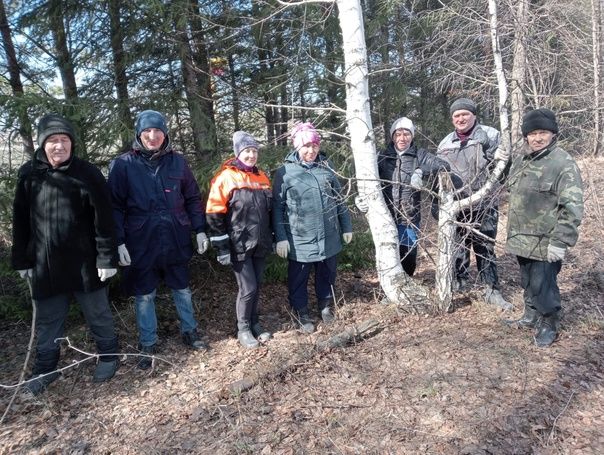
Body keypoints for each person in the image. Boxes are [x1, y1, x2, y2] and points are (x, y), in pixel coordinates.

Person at [11, 114, 120, 395]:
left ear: (72, 143)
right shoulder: (29, 174)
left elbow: (104, 219)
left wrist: (107, 258)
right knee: (49, 319)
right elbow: (20, 220)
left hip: (86, 262)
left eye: (64, 140)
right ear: (42, 144)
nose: (59, 146)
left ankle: (108, 356)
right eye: (52, 141)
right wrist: (21, 260)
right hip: (45, 264)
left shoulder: (87, 173)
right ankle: (46, 368)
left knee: (98, 313)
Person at [107, 110, 209, 370]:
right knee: (144, 295)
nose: (153, 136)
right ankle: (148, 342)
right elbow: (114, 207)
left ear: (166, 134)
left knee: (182, 289)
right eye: (147, 132)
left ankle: (190, 331)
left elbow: (193, 198)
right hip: (141, 239)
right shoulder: (123, 164)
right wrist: (118, 242)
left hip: (175, 236)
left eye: (158, 131)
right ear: (139, 134)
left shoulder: (178, 163)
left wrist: (199, 229)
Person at [505, 108, 583, 347]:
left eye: (543, 132)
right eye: (533, 133)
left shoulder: (563, 163)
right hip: (521, 238)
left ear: (553, 134)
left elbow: (572, 208)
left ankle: (549, 323)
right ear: (525, 136)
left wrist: (561, 241)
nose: (537, 138)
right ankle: (530, 316)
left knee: (544, 286)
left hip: (546, 241)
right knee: (527, 282)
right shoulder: (520, 160)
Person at [272, 122, 353, 334]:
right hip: (299, 239)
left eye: (315, 146)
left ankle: (325, 307)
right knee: (298, 277)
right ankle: (301, 311)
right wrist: (280, 237)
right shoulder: (284, 172)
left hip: (328, 235)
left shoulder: (327, 168)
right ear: (297, 147)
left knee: (327, 273)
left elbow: (339, 200)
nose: (311, 150)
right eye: (306, 146)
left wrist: (346, 226)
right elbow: (277, 208)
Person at [436, 97, 511, 310]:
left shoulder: (490, 135)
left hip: (484, 203)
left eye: (465, 114)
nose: (461, 119)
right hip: (457, 205)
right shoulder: (445, 143)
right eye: (457, 116)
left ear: (474, 116)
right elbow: (439, 174)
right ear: (452, 119)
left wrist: (501, 157)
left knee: (484, 246)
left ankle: (491, 290)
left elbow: (504, 170)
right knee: (458, 246)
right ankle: (459, 283)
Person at [355, 117, 451, 276]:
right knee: (388, 256)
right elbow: (366, 179)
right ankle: (390, 290)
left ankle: (407, 284)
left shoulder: (419, 155)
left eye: (406, 133)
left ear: (412, 136)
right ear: (392, 136)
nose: (402, 138)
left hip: (409, 218)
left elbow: (444, 165)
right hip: (385, 217)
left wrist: (421, 171)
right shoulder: (382, 156)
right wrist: (360, 197)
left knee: (409, 256)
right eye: (398, 134)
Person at [206, 131, 273, 349]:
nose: (251, 155)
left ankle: (255, 323)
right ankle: (243, 328)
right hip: (239, 244)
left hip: (260, 242)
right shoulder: (226, 177)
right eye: (247, 151)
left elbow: (269, 211)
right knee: (248, 288)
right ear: (238, 153)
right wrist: (222, 247)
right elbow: (214, 213)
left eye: (254, 151)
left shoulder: (261, 177)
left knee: (258, 285)